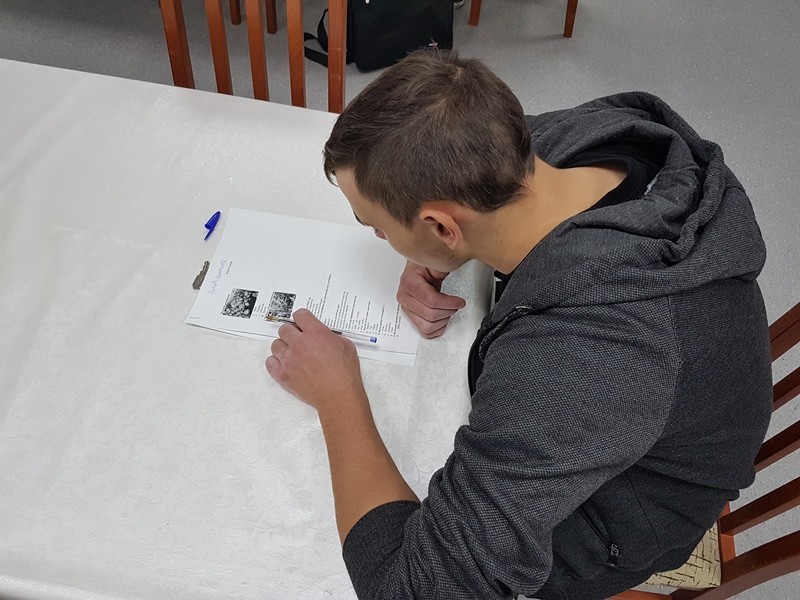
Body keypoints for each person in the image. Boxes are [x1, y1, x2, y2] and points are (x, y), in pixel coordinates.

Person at [265, 50, 773, 599]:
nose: (379, 240)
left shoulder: (589, 357)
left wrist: (337, 396)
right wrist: (435, 254)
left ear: (442, 225)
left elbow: (410, 589)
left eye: (379, 229)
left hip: (624, 514)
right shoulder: (567, 140)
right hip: (647, 411)